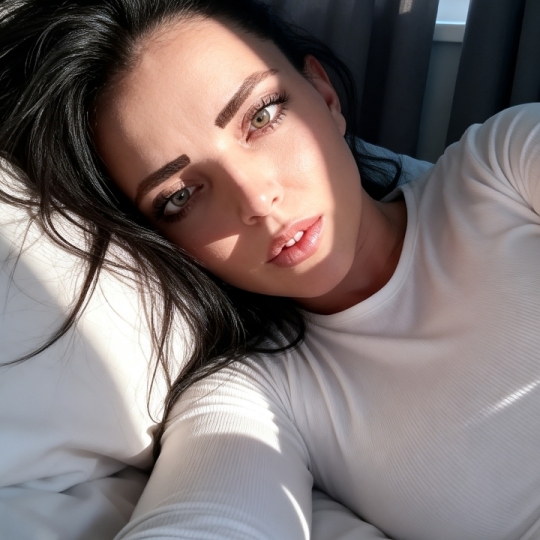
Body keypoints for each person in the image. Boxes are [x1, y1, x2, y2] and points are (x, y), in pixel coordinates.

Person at [1, 1, 540, 540]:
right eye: (181, 195)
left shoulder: (504, 167)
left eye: (261, 116)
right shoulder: (255, 392)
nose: (257, 201)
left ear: (325, 97)